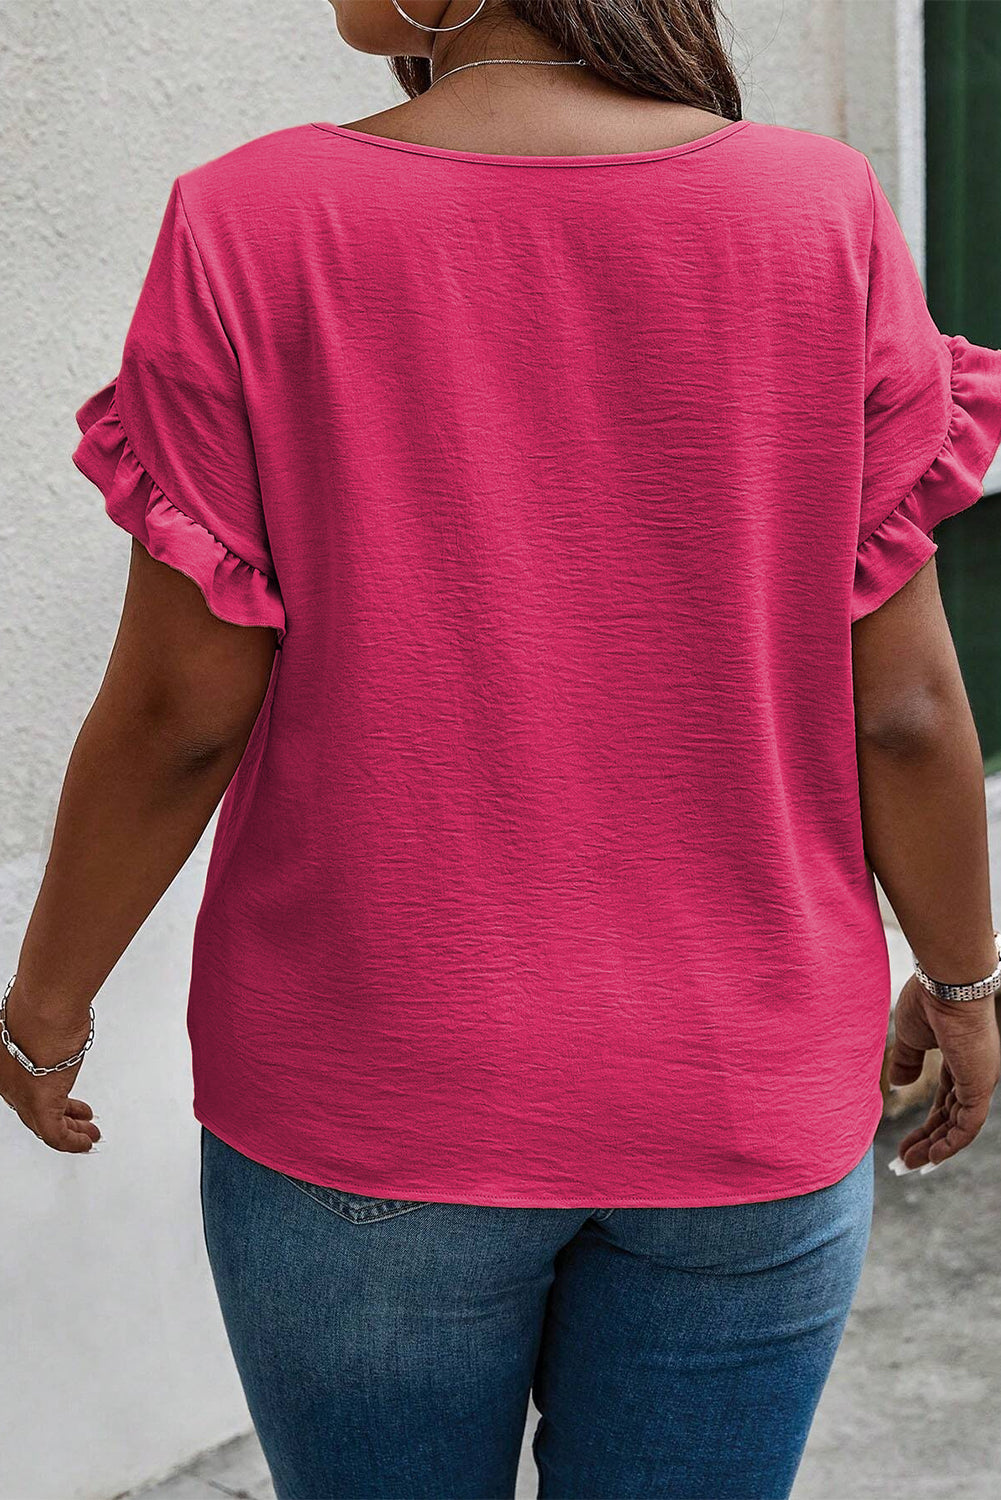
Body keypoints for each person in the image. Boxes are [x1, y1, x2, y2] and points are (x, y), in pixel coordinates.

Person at [3, 1, 1001, 1496]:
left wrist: (46, 999)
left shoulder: (250, 222)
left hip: (371, 1089)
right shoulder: (819, 213)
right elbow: (903, 705)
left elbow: (177, 711)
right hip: (738, 1088)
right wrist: (967, 977)